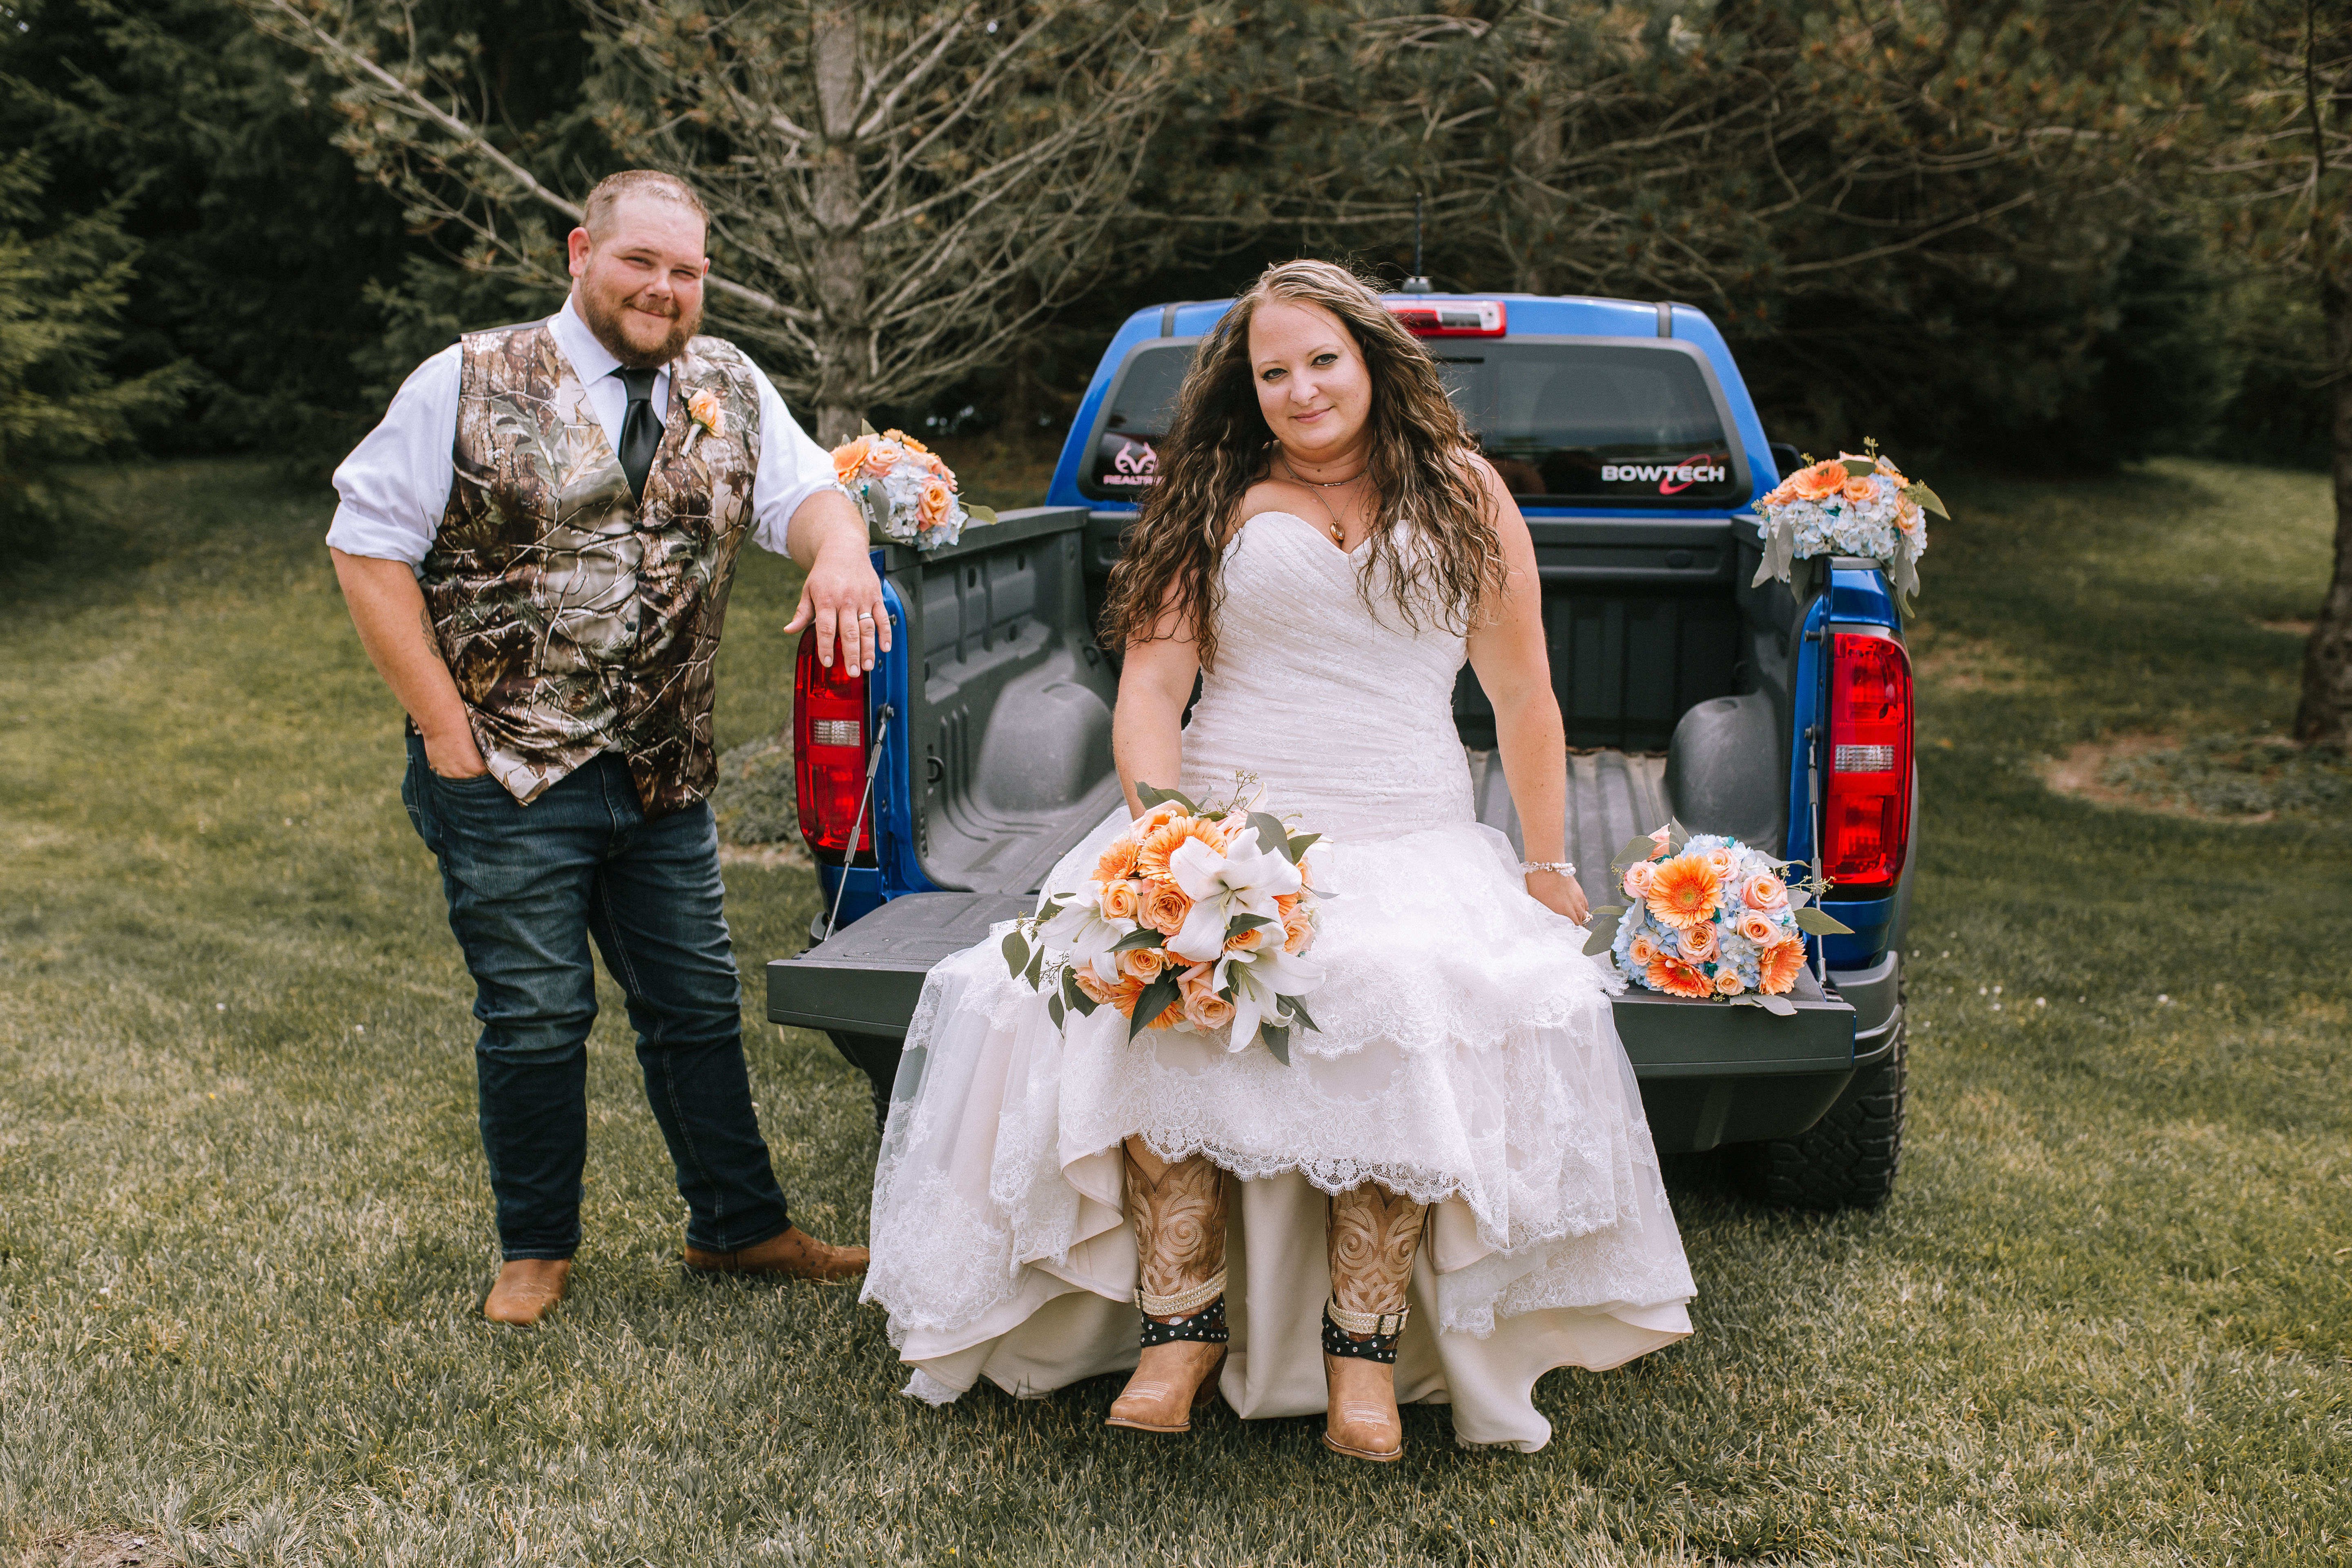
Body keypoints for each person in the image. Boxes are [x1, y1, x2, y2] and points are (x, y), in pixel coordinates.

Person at [862, 260, 1695, 1459]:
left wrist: (1549, 858)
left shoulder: (1465, 492)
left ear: (1370, 359)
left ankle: (1361, 1353)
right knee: (1134, 994)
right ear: (1245, 389)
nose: (1302, 389)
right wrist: (1169, 840)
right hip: (1227, 826)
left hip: (1408, 829)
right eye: (1273, 372)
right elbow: (1153, 688)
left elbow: (1524, 696)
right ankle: (1178, 1327)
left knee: (1402, 987)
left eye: (1323, 361)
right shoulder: (1214, 494)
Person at [327, 170, 884, 1326]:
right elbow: (367, 545)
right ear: (583, 251)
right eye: (642, 262)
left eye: (687, 272)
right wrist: (445, 734)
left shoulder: (726, 380)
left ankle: (739, 1228)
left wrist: (842, 551)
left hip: (662, 770)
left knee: (694, 1001)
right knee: (535, 1016)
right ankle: (536, 1250)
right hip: (505, 770)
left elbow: (808, 496)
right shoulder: (468, 379)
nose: (664, 289)